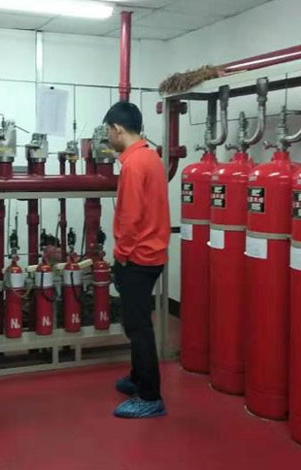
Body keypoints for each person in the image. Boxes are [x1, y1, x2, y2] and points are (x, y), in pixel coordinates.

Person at [104, 101, 171, 419]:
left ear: (118, 129)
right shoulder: (151, 157)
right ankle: (137, 377)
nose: (108, 137)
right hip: (153, 253)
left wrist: (120, 256)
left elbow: (130, 218)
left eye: (108, 131)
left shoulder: (132, 165)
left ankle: (150, 396)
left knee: (138, 326)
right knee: (138, 321)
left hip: (137, 257)